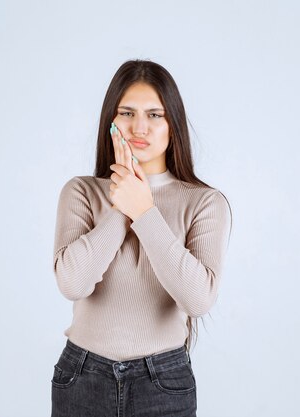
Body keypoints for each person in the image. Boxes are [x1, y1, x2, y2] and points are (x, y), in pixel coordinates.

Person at [51, 59, 233, 417]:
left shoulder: (204, 202)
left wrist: (145, 212)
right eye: (127, 112)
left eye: (155, 115)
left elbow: (198, 299)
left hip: (162, 382)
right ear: (111, 122)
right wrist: (123, 206)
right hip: (82, 377)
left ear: (173, 126)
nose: (139, 127)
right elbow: (73, 283)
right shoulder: (81, 192)